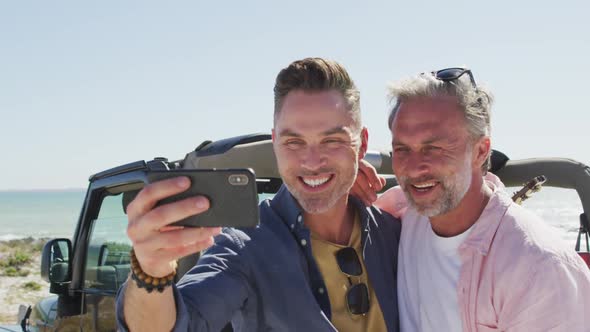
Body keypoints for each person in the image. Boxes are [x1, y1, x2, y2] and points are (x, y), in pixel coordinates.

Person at [116, 57, 402, 331]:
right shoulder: (245, 248)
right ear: (275, 142)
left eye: (332, 141)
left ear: (361, 144)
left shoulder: (393, 234)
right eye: (294, 141)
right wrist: (150, 270)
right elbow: (182, 323)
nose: (313, 161)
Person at [354, 67, 590, 331]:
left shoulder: (538, 269)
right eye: (402, 149)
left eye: (434, 148)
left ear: (480, 151)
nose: (414, 167)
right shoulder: (403, 213)